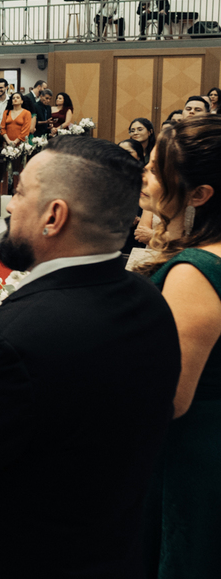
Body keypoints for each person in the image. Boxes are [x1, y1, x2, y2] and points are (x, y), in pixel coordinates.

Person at [0, 136, 180, 577]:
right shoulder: (151, 301)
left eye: (22, 191)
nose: (9, 204)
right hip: (109, 552)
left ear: (54, 216)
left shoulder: (3, 342)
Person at [137, 117, 221, 578]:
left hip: (193, 452)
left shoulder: (195, 271)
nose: (145, 178)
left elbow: (169, 397)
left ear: (199, 194)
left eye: (155, 170)